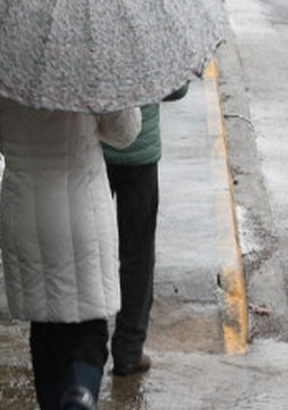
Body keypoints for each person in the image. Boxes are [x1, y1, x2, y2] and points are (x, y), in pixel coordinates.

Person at [0, 90, 141, 410]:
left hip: (26, 211)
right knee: (89, 327)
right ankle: (79, 397)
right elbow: (125, 133)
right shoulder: (90, 65)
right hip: (82, 211)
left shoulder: (5, 67)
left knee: (44, 327)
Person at [103, 83, 188, 377]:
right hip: (140, 153)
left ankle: (89, 347)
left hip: (92, 152)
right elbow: (177, 88)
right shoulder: (148, 38)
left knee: (92, 250)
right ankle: (129, 351)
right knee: (137, 255)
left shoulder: (84, 37)